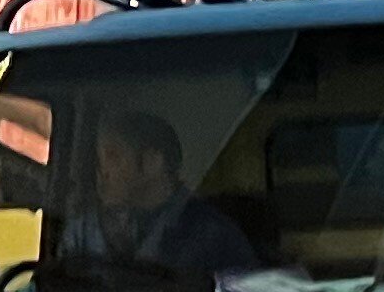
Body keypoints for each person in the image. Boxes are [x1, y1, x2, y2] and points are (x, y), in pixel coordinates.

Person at [60, 112, 258, 282]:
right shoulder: (83, 233)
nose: (102, 172)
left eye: (114, 156)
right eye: (100, 160)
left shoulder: (213, 236)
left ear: (152, 162)